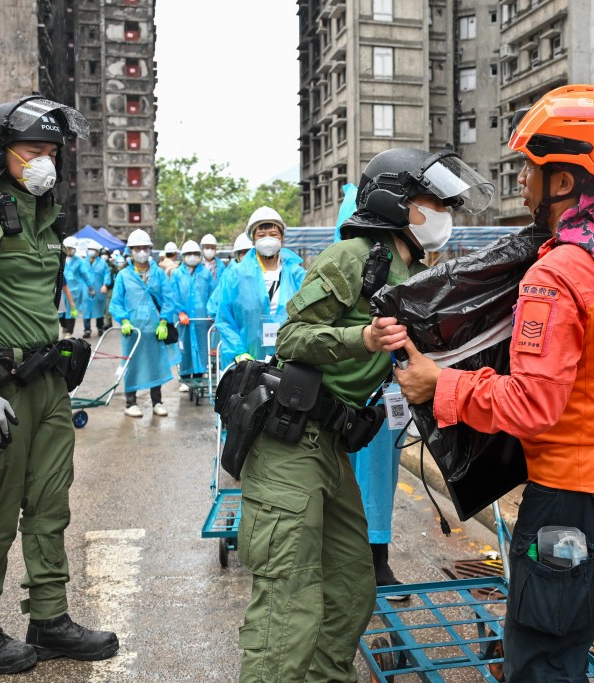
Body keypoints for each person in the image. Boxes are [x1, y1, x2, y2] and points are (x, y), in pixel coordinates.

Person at [395, 84, 594, 682]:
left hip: (569, 504)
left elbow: (534, 403)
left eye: (530, 170)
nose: (522, 183)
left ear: (564, 181)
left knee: (543, 656)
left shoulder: (556, 275)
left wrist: (442, 385)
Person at [235, 147, 493, 683]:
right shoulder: (355, 257)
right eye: (432, 201)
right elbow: (291, 337)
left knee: (354, 586)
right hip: (290, 443)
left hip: (331, 446)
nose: (442, 213)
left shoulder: (414, 270)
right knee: (290, 600)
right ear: (396, 202)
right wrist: (363, 337)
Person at [0, 95, 119, 675]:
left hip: (47, 382)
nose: (45, 162)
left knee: (49, 505)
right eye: (34, 150)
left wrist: (66, 344)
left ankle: (50, 617)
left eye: (52, 152)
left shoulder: (44, 214)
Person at [211, 207, 305, 369]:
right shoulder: (235, 274)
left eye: (273, 234)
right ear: (253, 240)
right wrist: (238, 352)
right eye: (261, 235)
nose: (268, 239)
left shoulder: (297, 274)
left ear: (282, 237)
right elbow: (225, 319)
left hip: (289, 361)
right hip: (247, 363)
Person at [109, 228, 177, 418]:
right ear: (130, 251)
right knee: (133, 364)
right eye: (137, 248)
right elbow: (116, 302)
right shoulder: (123, 276)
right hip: (133, 329)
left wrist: (164, 321)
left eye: (145, 248)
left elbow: (168, 299)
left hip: (155, 329)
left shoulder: (159, 274)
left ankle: (157, 401)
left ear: (150, 250)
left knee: (156, 364)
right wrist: (123, 320)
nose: (141, 252)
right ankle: (131, 402)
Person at [171, 239, 215, 393]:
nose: (192, 256)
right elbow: (173, 295)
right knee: (185, 348)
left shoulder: (205, 273)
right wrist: (180, 312)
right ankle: (184, 377)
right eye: (189, 254)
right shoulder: (176, 274)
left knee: (201, 347)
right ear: (183, 256)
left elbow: (212, 294)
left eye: (195, 254)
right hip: (183, 320)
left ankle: (199, 376)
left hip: (201, 318)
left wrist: (211, 311)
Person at [77, 243, 112, 338]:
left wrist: (105, 285)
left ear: (97, 252)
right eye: (89, 249)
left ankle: (100, 328)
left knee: (99, 309)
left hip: (99, 288)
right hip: (85, 289)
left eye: (93, 249)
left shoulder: (102, 263)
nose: (91, 251)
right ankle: (87, 330)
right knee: (86, 309)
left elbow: (107, 274)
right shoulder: (83, 262)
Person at [59, 236, 82, 335]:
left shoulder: (79, 261)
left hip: (74, 289)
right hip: (61, 289)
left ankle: (69, 332)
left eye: (71, 248)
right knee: (61, 312)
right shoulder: (60, 258)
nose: (69, 250)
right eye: (67, 248)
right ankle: (64, 327)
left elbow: (85, 274)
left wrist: (89, 286)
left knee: (71, 312)